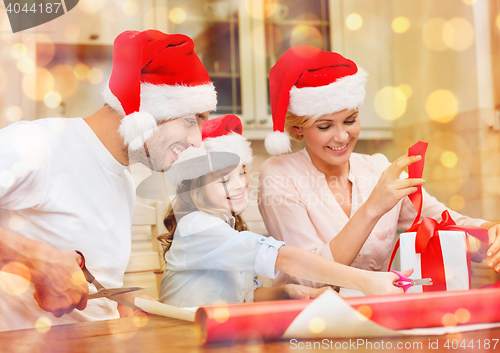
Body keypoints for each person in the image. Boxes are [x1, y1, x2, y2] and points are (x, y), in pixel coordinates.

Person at [0, 29, 217, 331]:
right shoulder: (39, 144)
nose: (197, 140)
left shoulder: (123, 182)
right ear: (148, 110)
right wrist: (38, 260)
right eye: (191, 120)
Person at [258, 46, 500, 289]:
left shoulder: (378, 168)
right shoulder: (279, 174)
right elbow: (311, 278)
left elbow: (446, 222)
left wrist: (490, 232)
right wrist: (374, 206)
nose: (342, 137)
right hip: (310, 320)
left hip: (380, 314)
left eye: (350, 121)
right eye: (325, 127)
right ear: (298, 128)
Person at [157, 114, 409, 308]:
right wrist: (368, 281)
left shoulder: (228, 228)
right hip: (183, 338)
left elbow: (241, 297)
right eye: (224, 179)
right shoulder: (198, 227)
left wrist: (287, 292)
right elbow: (286, 258)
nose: (239, 184)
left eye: (242, 172)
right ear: (193, 188)